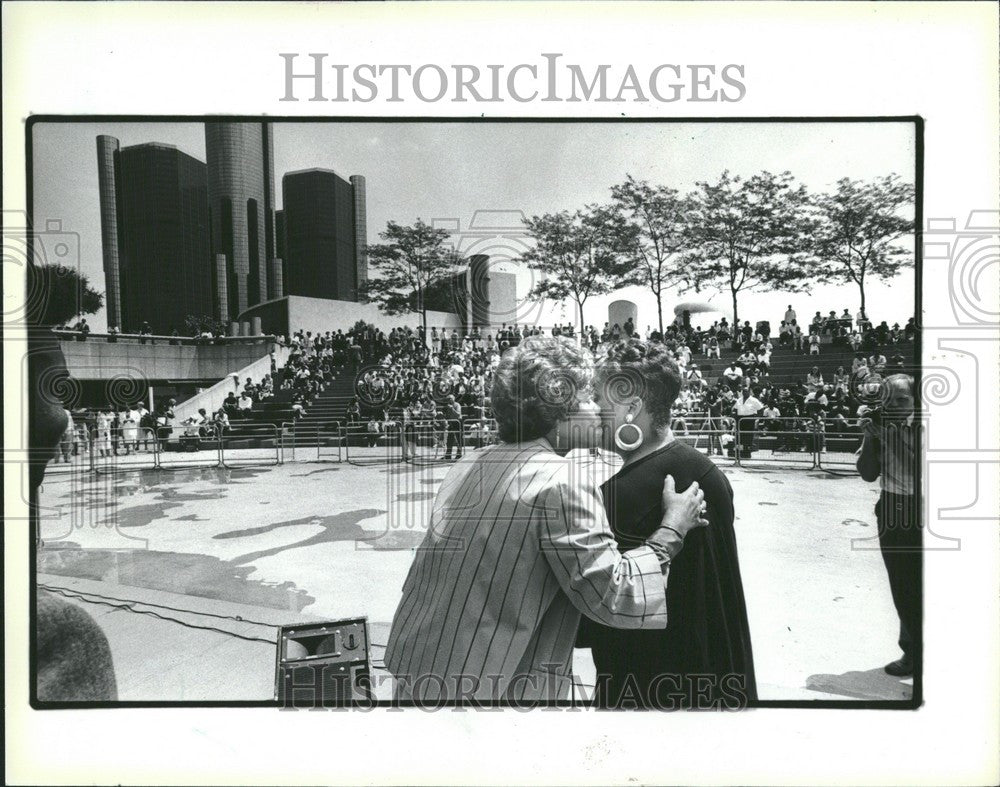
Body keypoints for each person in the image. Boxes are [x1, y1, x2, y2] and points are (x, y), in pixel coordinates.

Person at [384, 337, 709, 702]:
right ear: (561, 413)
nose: (598, 410)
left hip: (415, 673)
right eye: (588, 398)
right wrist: (671, 531)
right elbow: (613, 596)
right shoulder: (561, 480)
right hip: (492, 695)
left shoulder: (470, 463)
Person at [579, 339, 756, 708]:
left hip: (647, 686)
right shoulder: (709, 472)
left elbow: (596, 617)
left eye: (600, 399)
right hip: (716, 673)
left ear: (632, 407)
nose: (594, 411)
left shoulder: (617, 496)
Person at [856, 374, 920, 678]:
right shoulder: (881, 426)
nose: (894, 406)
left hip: (921, 507)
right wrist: (870, 435)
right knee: (902, 585)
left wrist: (887, 434)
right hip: (892, 507)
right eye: (888, 400)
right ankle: (912, 650)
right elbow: (868, 473)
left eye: (902, 400)